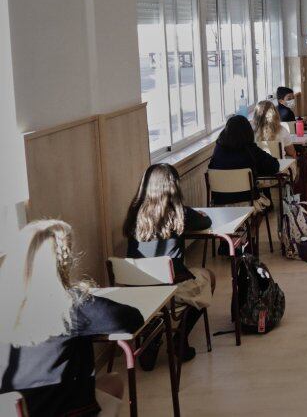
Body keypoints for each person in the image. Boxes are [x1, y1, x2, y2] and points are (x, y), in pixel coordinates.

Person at [0, 220, 144, 417]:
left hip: (16, 410)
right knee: (114, 381)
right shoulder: (71, 305)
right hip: (66, 410)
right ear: (63, 261)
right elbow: (131, 319)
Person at [124, 164, 216, 367]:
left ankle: (153, 334)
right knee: (208, 277)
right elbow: (205, 222)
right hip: (169, 288)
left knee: (178, 276)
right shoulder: (179, 213)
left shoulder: (134, 214)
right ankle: (179, 338)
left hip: (137, 291)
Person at [208, 115, 279, 208]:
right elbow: (274, 166)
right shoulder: (250, 148)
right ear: (248, 132)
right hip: (247, 201)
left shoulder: (218, 150)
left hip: (220, 203)